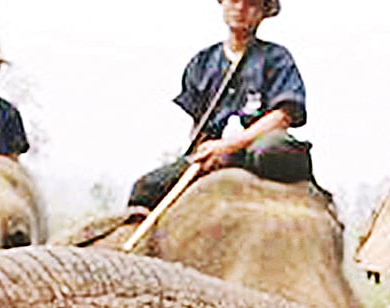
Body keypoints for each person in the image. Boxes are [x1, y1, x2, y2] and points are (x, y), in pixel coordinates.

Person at [125, 0, 312, 222]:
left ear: (264, 12)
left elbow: (283, 116)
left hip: (257, 147)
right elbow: (199, 124)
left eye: (251, 3)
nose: (240, 8)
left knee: (267, 150)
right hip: (217, 151)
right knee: (145, 187)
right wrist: (203, 154)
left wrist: (229, 147)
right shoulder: (202, 63)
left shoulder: (276, 58)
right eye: (233, 0)